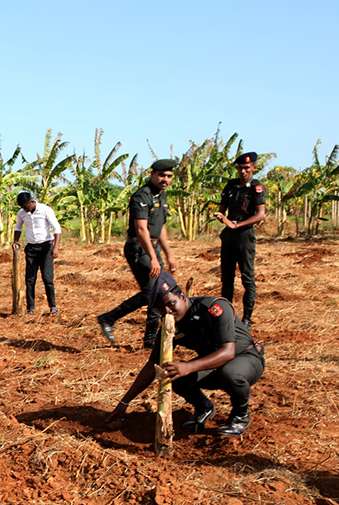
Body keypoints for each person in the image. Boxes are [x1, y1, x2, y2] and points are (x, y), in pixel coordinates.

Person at [106, 271, 264, 437]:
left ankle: (240, 415)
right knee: (174, 374)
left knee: (230, 373)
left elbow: (228, 352)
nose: (168, 311)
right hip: (214, 366)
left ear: (182, 296)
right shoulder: (170, 326)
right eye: (161, 309)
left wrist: (189, 366)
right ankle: (204, 408)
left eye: (171, 303)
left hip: (246, 359)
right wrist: (124, 402)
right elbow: (152, 365)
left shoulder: (213, 308)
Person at [97, 159, 179, 348]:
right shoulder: (142, 196)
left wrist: (169, 255)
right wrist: (152, 258)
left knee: (159, 291)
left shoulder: (161, 195)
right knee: (151, 292)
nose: (165, 179)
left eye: (169, 176)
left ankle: (150, 339)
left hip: (153, 247)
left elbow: (161, 227)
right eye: (162, 175)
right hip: (139, 248)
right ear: (152, 174)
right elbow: (141, 230)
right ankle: (109, 318)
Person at [215, 152, 267, 328]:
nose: (243, 171)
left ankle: (246, 319)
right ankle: (227, 316)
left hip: (244, 235)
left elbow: (261, 214)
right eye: (240, 168)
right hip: (229, 235)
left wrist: (237, 225)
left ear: (253, 168)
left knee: (247, 278)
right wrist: (221, 216)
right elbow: (222, 209)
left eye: (247, 168)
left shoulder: (256, 188)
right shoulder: (230, 186)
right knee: (227, 277)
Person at [12, 191, 61, 315]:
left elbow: (57, 229)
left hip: (46, 248)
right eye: (22, 208)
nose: (24, 210)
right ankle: (30, 309)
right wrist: (15, 241)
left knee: (47, 278)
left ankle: (53, 307)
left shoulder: (45, 210)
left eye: (25, 207)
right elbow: (18, 227)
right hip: (31, 249)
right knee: (30, 280)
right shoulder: (22, 213)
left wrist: (56, 247)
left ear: (31, 202)